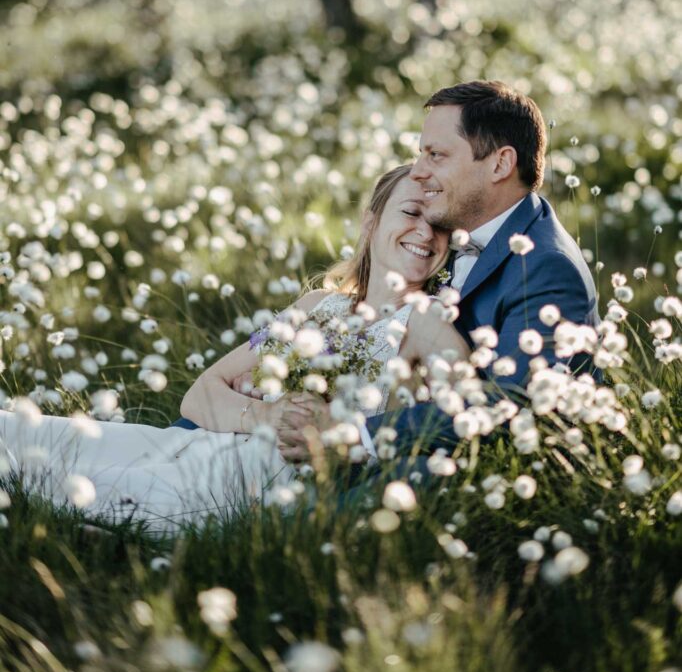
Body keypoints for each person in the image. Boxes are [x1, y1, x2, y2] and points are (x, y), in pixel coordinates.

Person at [0, 166, 467, 532]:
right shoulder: (315, 306)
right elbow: (200, 395)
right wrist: (269, 414)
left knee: (59, 483)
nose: (426, 233)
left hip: (255, 485)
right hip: (201, 444)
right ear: (371, 222)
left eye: (440, 224)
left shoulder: (427, 325)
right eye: (411, 213)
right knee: (27, 436)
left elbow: (468, 414)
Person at [350, 79, 600, 463]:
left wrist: (358, 435)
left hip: (487, 469)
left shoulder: (547, 268)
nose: (417, 172)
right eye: (421, 154)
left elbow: (511, 405)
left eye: (436, 155)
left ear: (500, 164)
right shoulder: (449, 233)